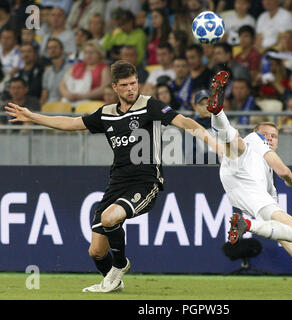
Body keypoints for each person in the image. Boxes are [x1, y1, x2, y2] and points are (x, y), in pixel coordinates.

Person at [5, 60, 221, 293]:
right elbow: (70, 123)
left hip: (146, 182)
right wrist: (33, 116)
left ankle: (120, 266)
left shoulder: (151, 106)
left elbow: (184, 122)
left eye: (134, 83)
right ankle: (114, 282)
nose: (131, 88)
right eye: (125, 85)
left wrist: (212, 142)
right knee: (96, 252)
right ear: (115, 87)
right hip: (117, 183)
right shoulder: (107, 114)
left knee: (109, 219)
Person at [206, 70, 292, 278]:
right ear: (258, 133)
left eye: (274, 136)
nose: (270, 139)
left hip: (243, 187)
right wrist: (290, 179)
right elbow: (281, 169)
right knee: (234, 142)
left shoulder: (268, 186)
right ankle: (217, 110)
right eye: (267, 134)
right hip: (239, 163)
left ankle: (246, 224)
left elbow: (281, 235)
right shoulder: (256, 140)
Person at [59, 40, 111, 106]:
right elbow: (62, 84)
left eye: (91, 52)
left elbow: (104, 89)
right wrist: (66, 94)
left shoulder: (104, 68)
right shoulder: (76, 66)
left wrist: (81, 96)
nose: (88, 55)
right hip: (71, 101)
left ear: (100, 54)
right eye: (86, 52)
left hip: (94, 104)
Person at [40, 38, 71, 105]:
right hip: (49, 106)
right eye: (50, 48)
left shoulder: (70, 68)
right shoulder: (47, 72)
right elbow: (44, 93)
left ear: (62, 50)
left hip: (65, 105)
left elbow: (71, 89)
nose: (52, 50)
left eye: (55, 47)